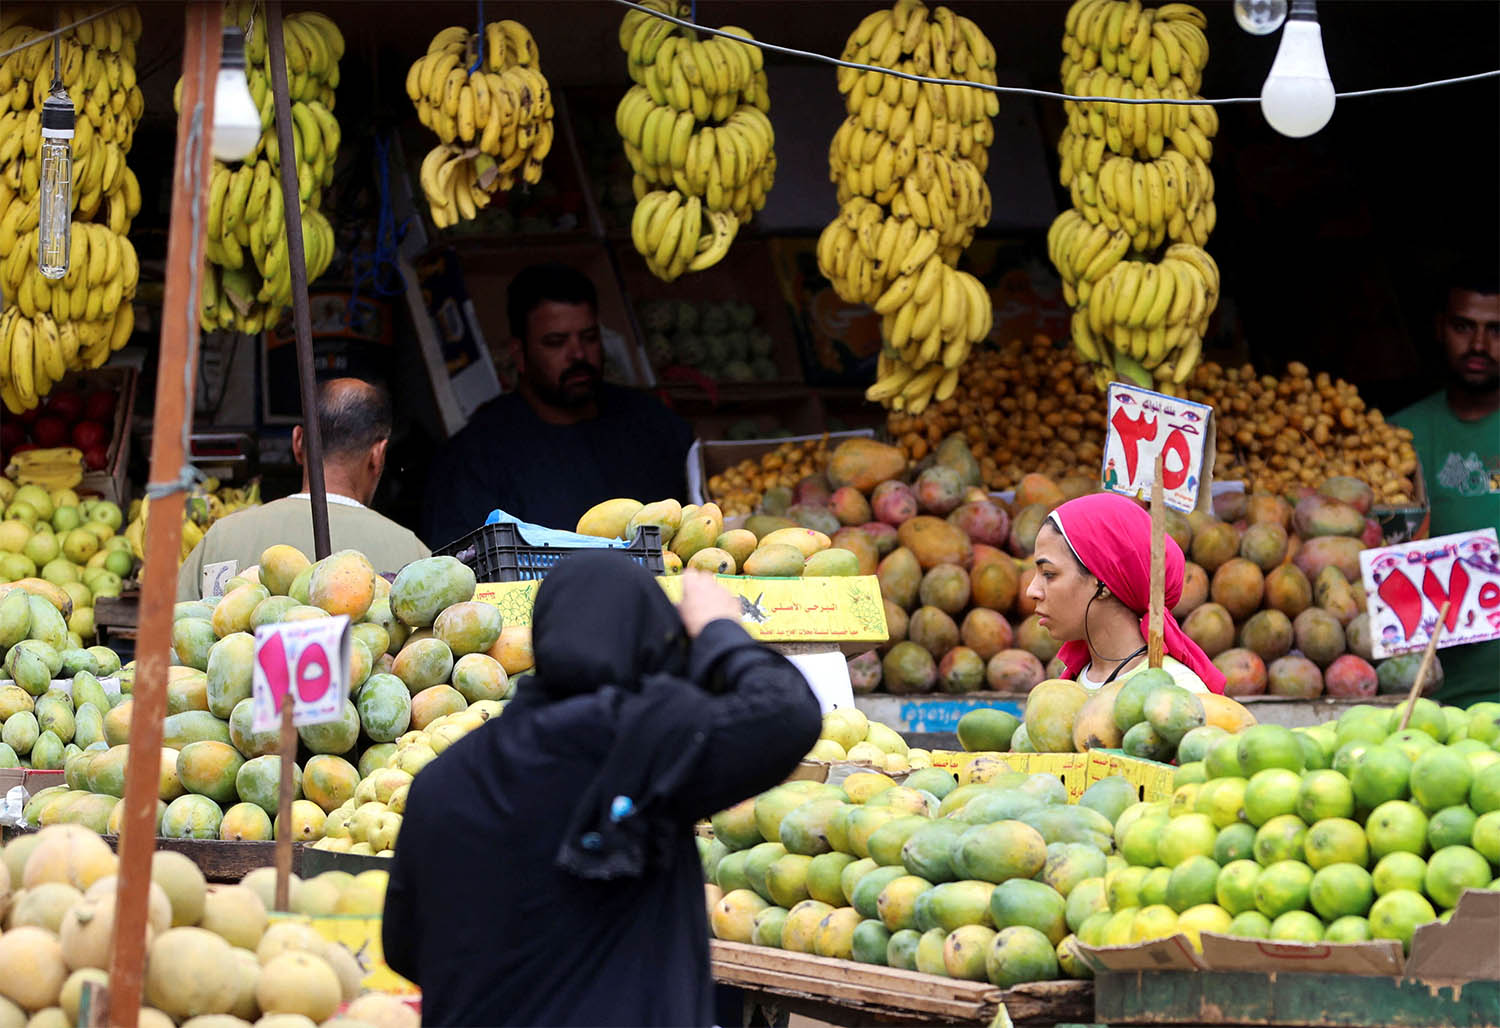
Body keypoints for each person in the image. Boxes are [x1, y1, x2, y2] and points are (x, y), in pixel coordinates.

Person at [381, 553, 821, 1026]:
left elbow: (404, 947)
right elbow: (786, 713)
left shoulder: (442, 780)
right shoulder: (646, 745)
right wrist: (718, 629)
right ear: (652, 640)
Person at [423, 264, 695, 545]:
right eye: (556, 342)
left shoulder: (654, 425)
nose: (578, 354)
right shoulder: (475, 458)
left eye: (589, 337)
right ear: (519, 354)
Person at [177, 379, 429, 599]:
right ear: (378, 454)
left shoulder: (222, 538)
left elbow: (167, 634)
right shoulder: (413, 554)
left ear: (298, 441)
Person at [1390, 267, 1499, 706]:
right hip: (1420, 696)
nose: (1478, 345)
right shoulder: (1395, 438)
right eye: (1463, 326)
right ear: (1440, 329)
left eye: (1496, 330)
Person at [1027, 492, 1226, 694]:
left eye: (1049, 574)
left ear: (1103, 583)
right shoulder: (1069, 686)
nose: (1031, 591)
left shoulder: (1176, 693)